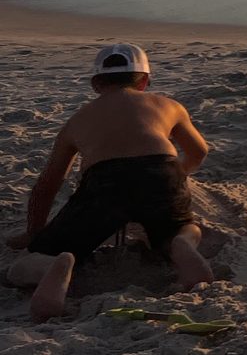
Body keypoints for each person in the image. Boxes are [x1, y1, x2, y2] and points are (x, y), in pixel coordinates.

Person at [6, 44, 212, 321]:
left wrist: (33, 233)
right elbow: (199, 151)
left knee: (23, 265)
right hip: (161, 171)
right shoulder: (168, 105)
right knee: (183, 227)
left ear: (95, 84)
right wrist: (178, 178)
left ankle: (54, 263)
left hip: (105, 182)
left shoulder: (77, 121)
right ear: (145, 81)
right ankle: (180, 244)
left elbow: (48, 183)